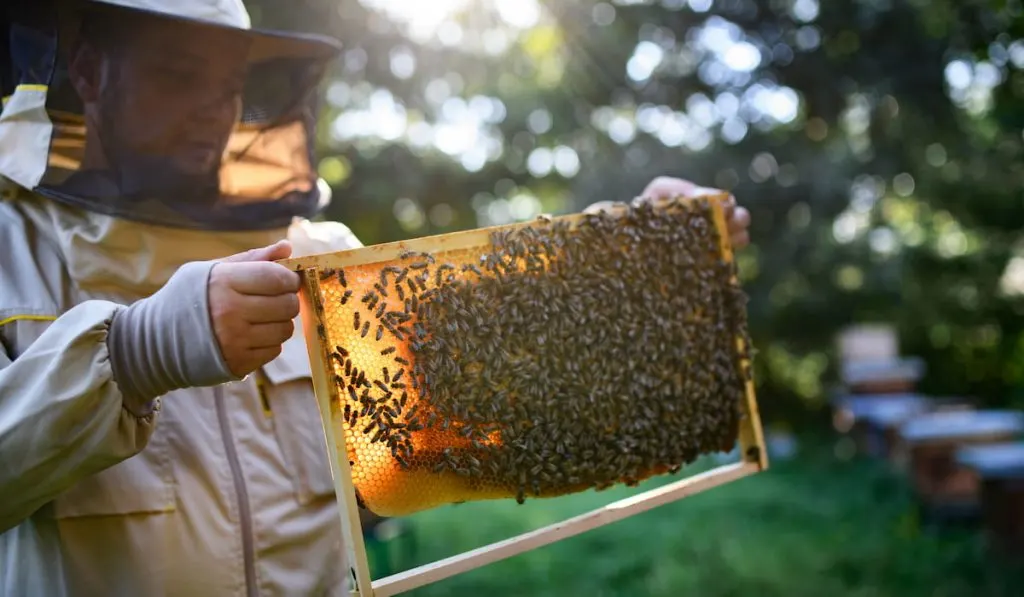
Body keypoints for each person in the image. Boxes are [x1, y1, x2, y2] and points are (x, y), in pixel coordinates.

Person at [0, 0, 752, 595]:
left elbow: (483, 370)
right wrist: (131, 355)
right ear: (91, 72)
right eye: (177, 74)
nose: (213, 109)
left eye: (228, 85)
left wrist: (632, 254)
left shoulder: (324, 256)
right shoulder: (10, 249)